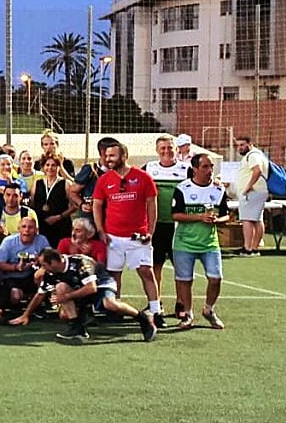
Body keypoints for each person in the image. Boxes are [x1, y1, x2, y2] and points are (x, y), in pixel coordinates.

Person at [91, 142, 163, 341]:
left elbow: (152, 204)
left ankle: (156, 311)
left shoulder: (143, 177)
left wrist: (150, 231)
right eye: (106, 156)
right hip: (113, 237)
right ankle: (117, 308)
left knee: (146, 272)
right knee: (114, 275)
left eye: (112, 155)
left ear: (124, 156)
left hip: (137, 236)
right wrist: (100, 230)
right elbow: (97, 205)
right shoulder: (104, 179)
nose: (108, 159)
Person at [170, 152, 227, 329]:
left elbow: (226, 215)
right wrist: (199, 217)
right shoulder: (183, 189)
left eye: (211, 166)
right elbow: (175, 215)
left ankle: (209, 310)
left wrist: (218, 220)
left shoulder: (219, 190)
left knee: (216, 278)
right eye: (205, 167)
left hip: (209, 243)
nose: (210, 170)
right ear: (194, 169)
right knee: (185, 280)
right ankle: (187, 314)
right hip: (184, 243)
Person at [142, 134, 189, 275]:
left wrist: (215, 181)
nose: (166, 151)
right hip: (156, 223)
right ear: (157, 150)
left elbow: (202, 182)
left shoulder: (186, 170)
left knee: (180, 265)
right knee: (156, 263)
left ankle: (182, 297)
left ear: (177, 149)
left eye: (170, 147)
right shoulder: (149, 168)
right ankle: (157, 297)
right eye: (162, 148)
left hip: (179, 224)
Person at [0, 216, 51, 318]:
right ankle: (14, 308)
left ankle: (39, 304)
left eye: (30, 227)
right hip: (12, 277)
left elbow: (50, 260)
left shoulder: (42, 240)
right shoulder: (8, 241)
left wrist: (39, 261)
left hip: (32, 275)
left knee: (42, 272)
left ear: (36, 230)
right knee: (15, 296)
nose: (27, 230)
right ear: (19, 228)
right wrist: (16, 267)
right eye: (24, 227)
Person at [234, 135, 269, 256]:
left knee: (247, 219)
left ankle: (248, 248)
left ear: (250, 144)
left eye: (242, 145)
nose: (240, 148)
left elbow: (257, 170)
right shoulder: (257, 154)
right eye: (238, 145)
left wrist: (248, 187)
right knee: (257, 219)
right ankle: (254, 248)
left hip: (252, 191)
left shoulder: (253, 155)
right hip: (258, 191)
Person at [29, 154, 74, 246]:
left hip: (60, 225)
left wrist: (59, 217)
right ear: (43, 167)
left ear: (58, 167)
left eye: (53, 165)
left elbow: (74, 206)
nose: (50, 168)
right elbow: (32, 204)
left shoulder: (66, 183)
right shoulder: (37, 183)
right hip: (41, 225)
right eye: (47, 165)